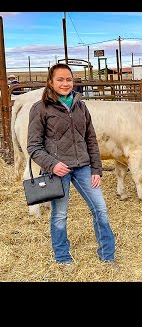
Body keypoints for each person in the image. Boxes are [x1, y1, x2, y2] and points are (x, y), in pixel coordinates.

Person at [27, 63, 116, 266]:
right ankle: (62, 258)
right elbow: (33, 146)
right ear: (50, 82)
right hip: (58, 170)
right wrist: (52, 165)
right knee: (60, 214)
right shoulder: (40, 108)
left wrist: (96, 169)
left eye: (69, 79)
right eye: (60, 79)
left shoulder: (80, 106)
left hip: (84, 167)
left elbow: (91, 140)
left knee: (100, 209)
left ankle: (107, 255)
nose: (65, 83)